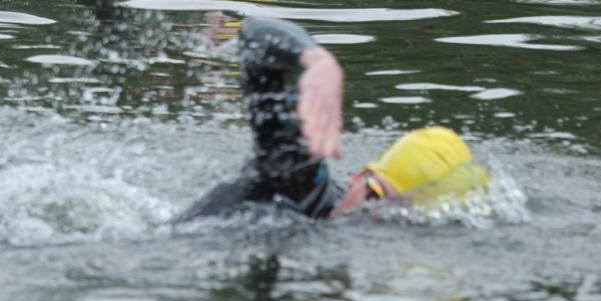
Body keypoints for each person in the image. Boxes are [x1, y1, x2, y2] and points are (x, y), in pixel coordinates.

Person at [178, 17, 487, 221]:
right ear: (358, 178)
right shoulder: (299, 186)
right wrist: (318, 61)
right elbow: (254, 33)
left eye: (400, 218)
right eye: (376, 195)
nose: (373, 216)